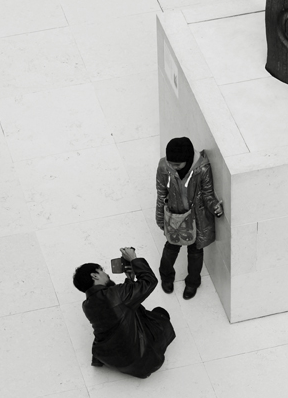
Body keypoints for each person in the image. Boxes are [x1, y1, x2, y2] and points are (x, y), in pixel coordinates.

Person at [73, 247, 176, 379]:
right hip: (144, 362)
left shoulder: (86, 305)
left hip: (111, 359)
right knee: (160, 313)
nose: (106, 274)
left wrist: (130, 281)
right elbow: (149, 281)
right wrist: (134, 259)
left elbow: (119, 306)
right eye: (102, 271)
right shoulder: (115, 294)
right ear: (94, 275)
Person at [155, 137, 223, 300]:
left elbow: (207, 193)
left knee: (195, 252)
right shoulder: (164, 166)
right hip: (173, 217)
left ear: (187, 160)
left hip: (196, 219)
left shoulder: (202, 168)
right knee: (170, 249)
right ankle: (166, 277)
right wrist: (160, 217)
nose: (172, 167)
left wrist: (215, 207)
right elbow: (161, 193)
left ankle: (193, 283)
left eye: (177, 164)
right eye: (170, 163)